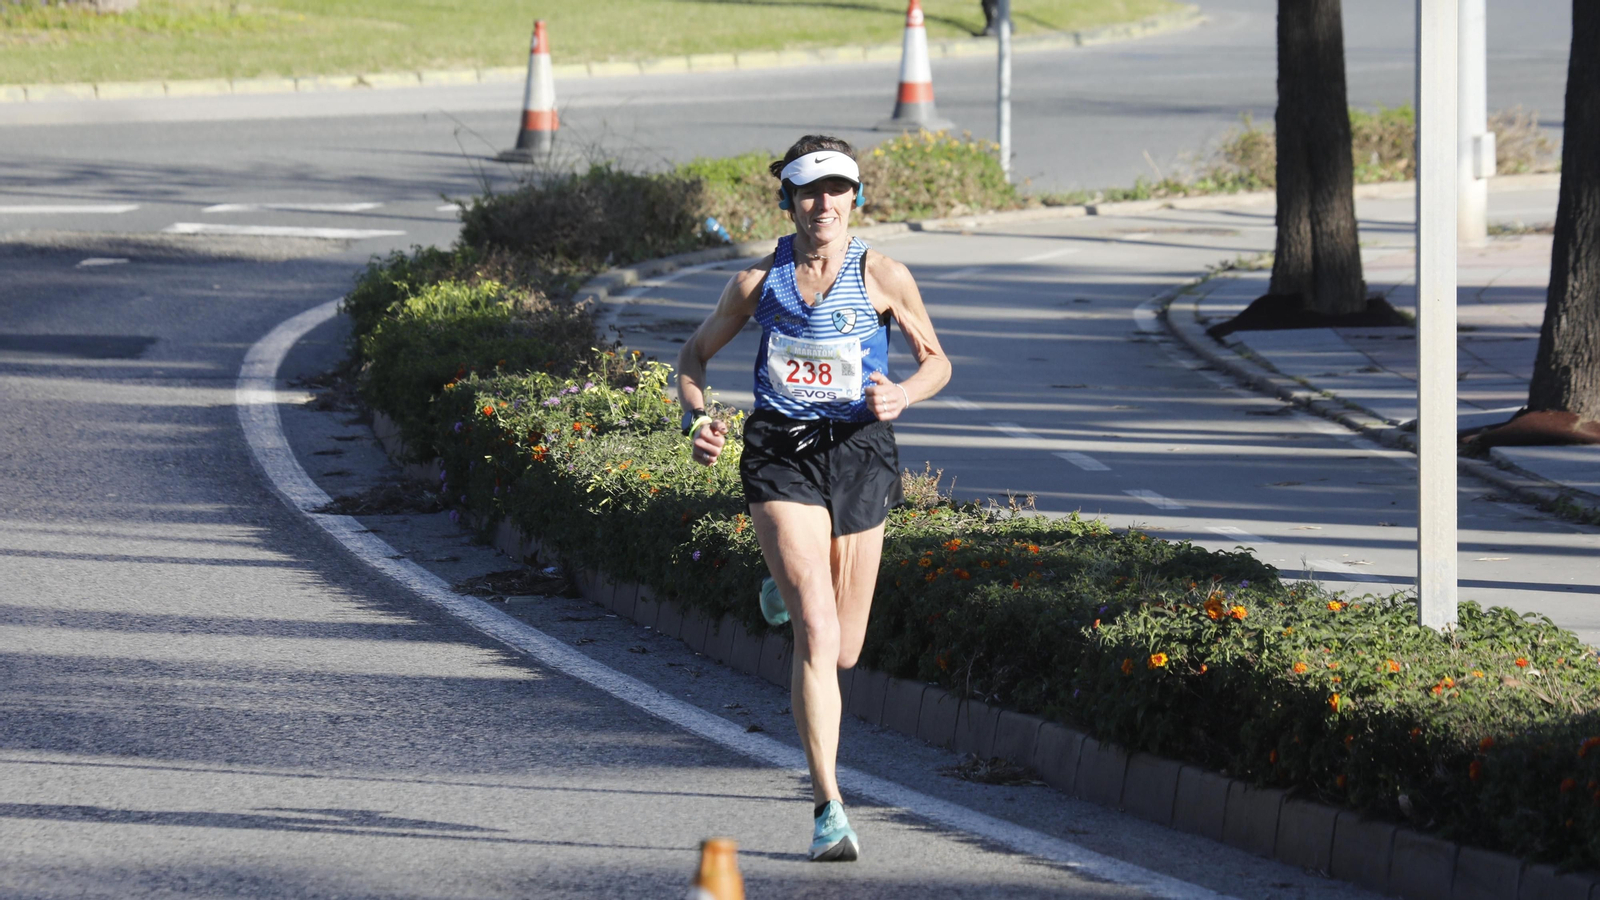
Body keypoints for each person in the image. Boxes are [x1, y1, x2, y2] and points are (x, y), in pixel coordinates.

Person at [675, 134, 951, 862]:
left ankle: (781, 585)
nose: (822, 204)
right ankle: (829, 804)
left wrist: (904, 394)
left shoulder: (884, 275)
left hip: (860, 454)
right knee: (818, 635)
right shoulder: (755, 283)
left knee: (847, 650)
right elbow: (693, 358)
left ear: (855, 198)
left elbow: (937, 360)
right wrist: (697, 419)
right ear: (788, 201)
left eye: (836, 189)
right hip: (781, 452)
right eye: (807, 190)